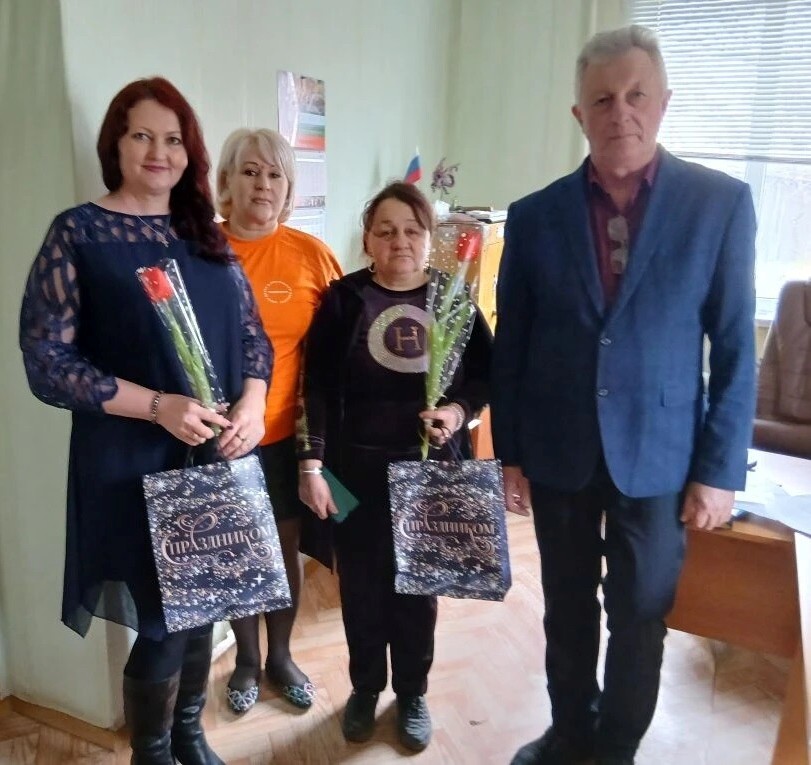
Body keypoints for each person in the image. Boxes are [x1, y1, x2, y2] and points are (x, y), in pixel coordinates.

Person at [492, 25, 756, 765]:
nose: (621, 112)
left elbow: (735, 345)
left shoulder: (718, 204)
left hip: (662, 453)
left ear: (663, 103)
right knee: (567, 608)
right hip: (560, 449)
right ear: (579, 114)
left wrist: (719, 470)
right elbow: (513, 343)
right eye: (603, 99)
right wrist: (510, 454)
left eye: (637, 95)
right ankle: (569, 734)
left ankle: (615, 749)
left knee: (640, 614)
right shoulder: (534, 215)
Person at [19, 77, 272, 765]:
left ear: (190, 152)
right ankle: (152, 751)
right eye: (142, 135)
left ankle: (188, 734)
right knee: (162, 618)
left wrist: (252, 404)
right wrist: (158, 405)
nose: (159, 151)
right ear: (116, 144)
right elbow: (47, 361)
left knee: (204, 600)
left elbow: (253, 336)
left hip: (213, 454)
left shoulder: (206, 236)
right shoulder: (80, 232)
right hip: (129, 458)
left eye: (173, 138)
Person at [296, 182, 492, 752]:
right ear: (367, 241)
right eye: (385, 231)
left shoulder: (452, 298)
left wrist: (456, 412)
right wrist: (311, 464)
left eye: (411, 230)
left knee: (416, 591)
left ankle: (411, 693)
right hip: (351, 472)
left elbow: (486, 375)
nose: (398, 241)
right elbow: (316, 387)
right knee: (359, 586)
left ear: (429, 238)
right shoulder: (344, 299)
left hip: (428, 471)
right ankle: (364, 688)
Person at [215, 128, 342, 713]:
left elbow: (343, 347)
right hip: (222, 438)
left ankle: (281, 657)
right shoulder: (200, 252)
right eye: (249, 171)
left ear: (289, 188)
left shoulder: (311, 255)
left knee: (284, 548)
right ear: (227, 181)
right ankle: (245, 660)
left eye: (274, 174)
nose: (262, 184)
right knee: (240, 553)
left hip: (293, 438)